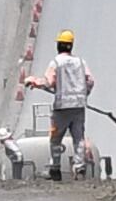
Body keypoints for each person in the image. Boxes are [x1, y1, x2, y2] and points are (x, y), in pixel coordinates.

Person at [24, 30, 95, 180]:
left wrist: (34, 81)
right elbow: (90, 81)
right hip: (78, 107)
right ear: (71, 45)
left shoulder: (56, 62)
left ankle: (55, 169)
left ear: (59, 45)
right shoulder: (81, 62)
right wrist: (83, 94)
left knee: (55, 139)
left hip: (61, 108)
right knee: (78, 138)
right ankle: (79, 168)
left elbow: (48, 82)